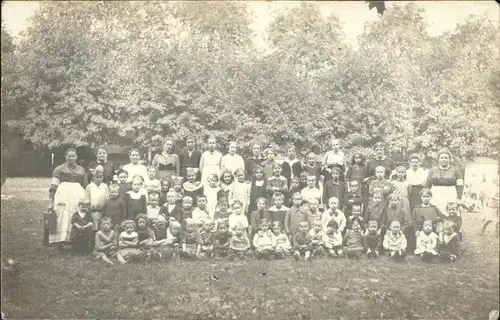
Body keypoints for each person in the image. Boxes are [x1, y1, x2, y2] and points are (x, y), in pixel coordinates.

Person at [48, 148, 88, 250]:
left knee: (76, 216)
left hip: (77, 196)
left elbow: (85, 185)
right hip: (63, 196)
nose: (71, 158)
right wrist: (50, 202)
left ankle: (75, 241)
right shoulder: (59, 169)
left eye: (73, 156)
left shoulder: (81, 170)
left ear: (76, 157)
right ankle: (60, 242)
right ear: (65, 157)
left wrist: (86, 198)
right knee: (61, 215)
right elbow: (53, 187)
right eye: (69, 156)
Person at [424, 148, 464, 217]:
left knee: (450, 212)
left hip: (451, 194)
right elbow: (427, 185)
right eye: (442, 158)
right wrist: (425, 197)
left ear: (449, 159)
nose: (444, 159)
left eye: (446, 158)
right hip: (436, 195)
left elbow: (460, 185)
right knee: (437, 213)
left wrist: (459, 198)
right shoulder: (432, 170)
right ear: (438, 159)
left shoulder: (456, 170)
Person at [85, 168, 109, 248]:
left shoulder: (105, 186)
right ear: (93, 178)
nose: (99, 179)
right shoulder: (89, 187)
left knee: (101, 226)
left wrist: (104, 206)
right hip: (92, 210)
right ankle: (92, 244)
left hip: (102, 210)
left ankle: (101, 243)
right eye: (97, 177)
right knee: (93, 227)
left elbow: (107, 197)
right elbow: (87, 197)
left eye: (100, 177)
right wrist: (88, 207)